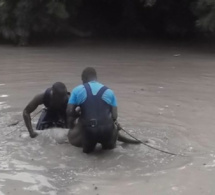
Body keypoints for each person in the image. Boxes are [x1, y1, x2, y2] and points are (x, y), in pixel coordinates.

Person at [67, 67, 142, 154]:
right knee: (109, 154)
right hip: (107, 130)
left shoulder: (77, 90)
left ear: (84, 79)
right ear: (96, 78)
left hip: (90, 131)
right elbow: (114, 116)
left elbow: (69, 112)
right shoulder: (109, 91)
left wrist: (79, 114)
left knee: (88, 155)